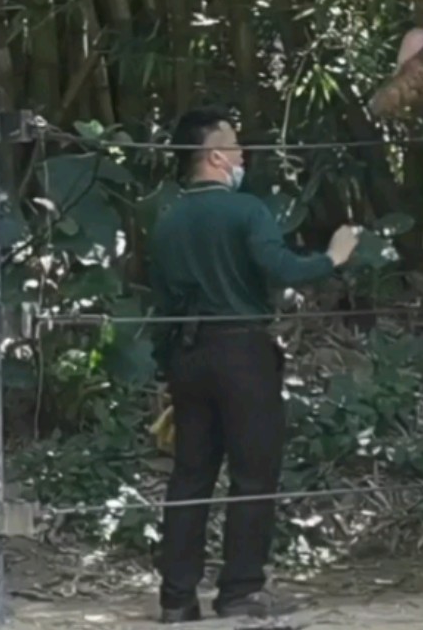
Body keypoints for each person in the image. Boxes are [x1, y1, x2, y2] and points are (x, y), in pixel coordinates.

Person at [148, 107, 360, 623]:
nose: (242, 156)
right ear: (215, 156)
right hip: (242, 350)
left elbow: (159, 304)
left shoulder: (167, 220)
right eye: (236, 147)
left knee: (190, 474)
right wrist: (332, 257)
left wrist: (166, 366)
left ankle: (177, 597)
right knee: (253, 471)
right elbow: (280, 266)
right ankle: (240, 590)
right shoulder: (246, 211)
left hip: (187, 353)